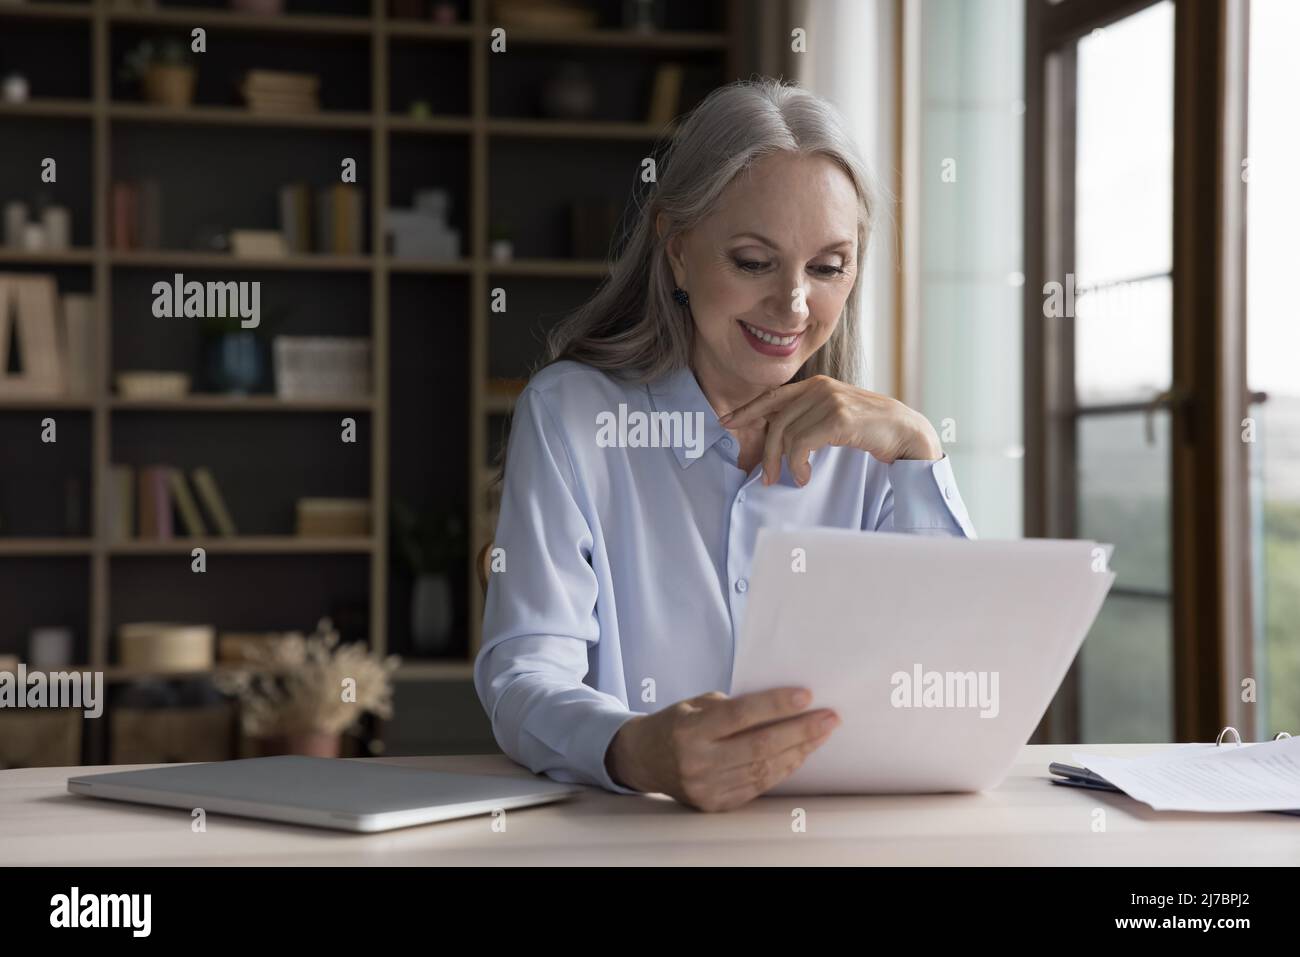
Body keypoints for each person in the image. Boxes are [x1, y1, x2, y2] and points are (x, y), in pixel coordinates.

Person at [475, 78, 975, 812]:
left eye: (828, 267)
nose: (794, 304)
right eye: (753, 260)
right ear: (677, 252)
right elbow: (524, 672)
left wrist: (920, 449)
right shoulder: (574, 414)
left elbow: (956, 685)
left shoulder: (879, 450)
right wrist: (634, 746)